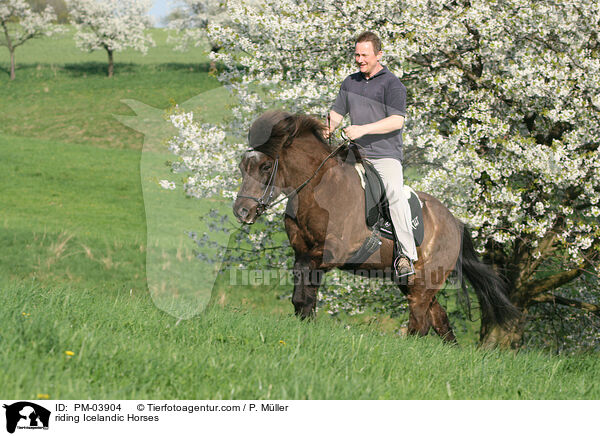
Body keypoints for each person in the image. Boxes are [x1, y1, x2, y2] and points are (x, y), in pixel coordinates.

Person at [325, 31, 417, 277]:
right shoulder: (350, 82)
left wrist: (361, 129)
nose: (359, 60)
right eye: (356, 54)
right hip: (355, 154)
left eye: (364, 55)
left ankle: (406, 256)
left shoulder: (392, 84)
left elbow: (396, 121)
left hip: (384, 155)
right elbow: (337, 113)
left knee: (395, 195)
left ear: (379, 55)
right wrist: (327, 127)